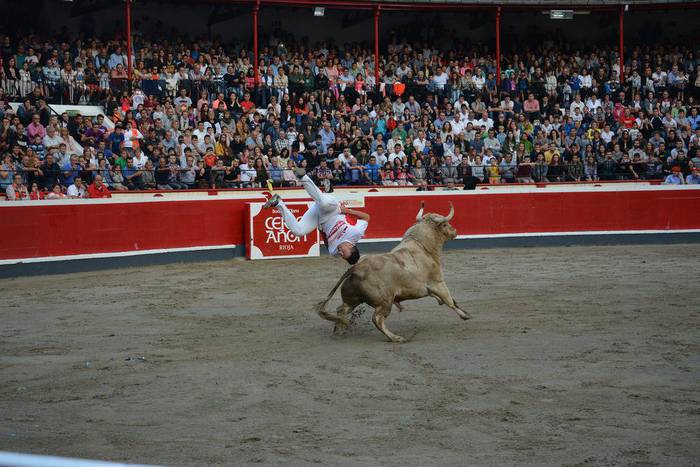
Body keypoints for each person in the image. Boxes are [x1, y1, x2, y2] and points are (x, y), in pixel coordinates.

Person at [263, 174, 369, 264]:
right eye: (344, 253)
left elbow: (326, 239)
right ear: (351, 247)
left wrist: (320, 229)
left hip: (320, 218)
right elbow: (366, 217)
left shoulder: (333, 251)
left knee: (299, 231)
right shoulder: (356, 232)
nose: (340, 253)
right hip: (334, 210)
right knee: (323, 203)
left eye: (342, 256)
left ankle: (278, 203)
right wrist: (348, 211)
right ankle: (303, 177)